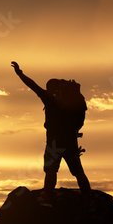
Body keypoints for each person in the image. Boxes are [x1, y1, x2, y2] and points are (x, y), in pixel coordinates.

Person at [11, 61, 91, 199]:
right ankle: (89, 199)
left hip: (55, 141)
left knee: (51, 169)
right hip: (71, 140)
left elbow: (33, 86)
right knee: (78, 172)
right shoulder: (71, 101)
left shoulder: (50, 99)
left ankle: (47, 196)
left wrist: (20, 73)